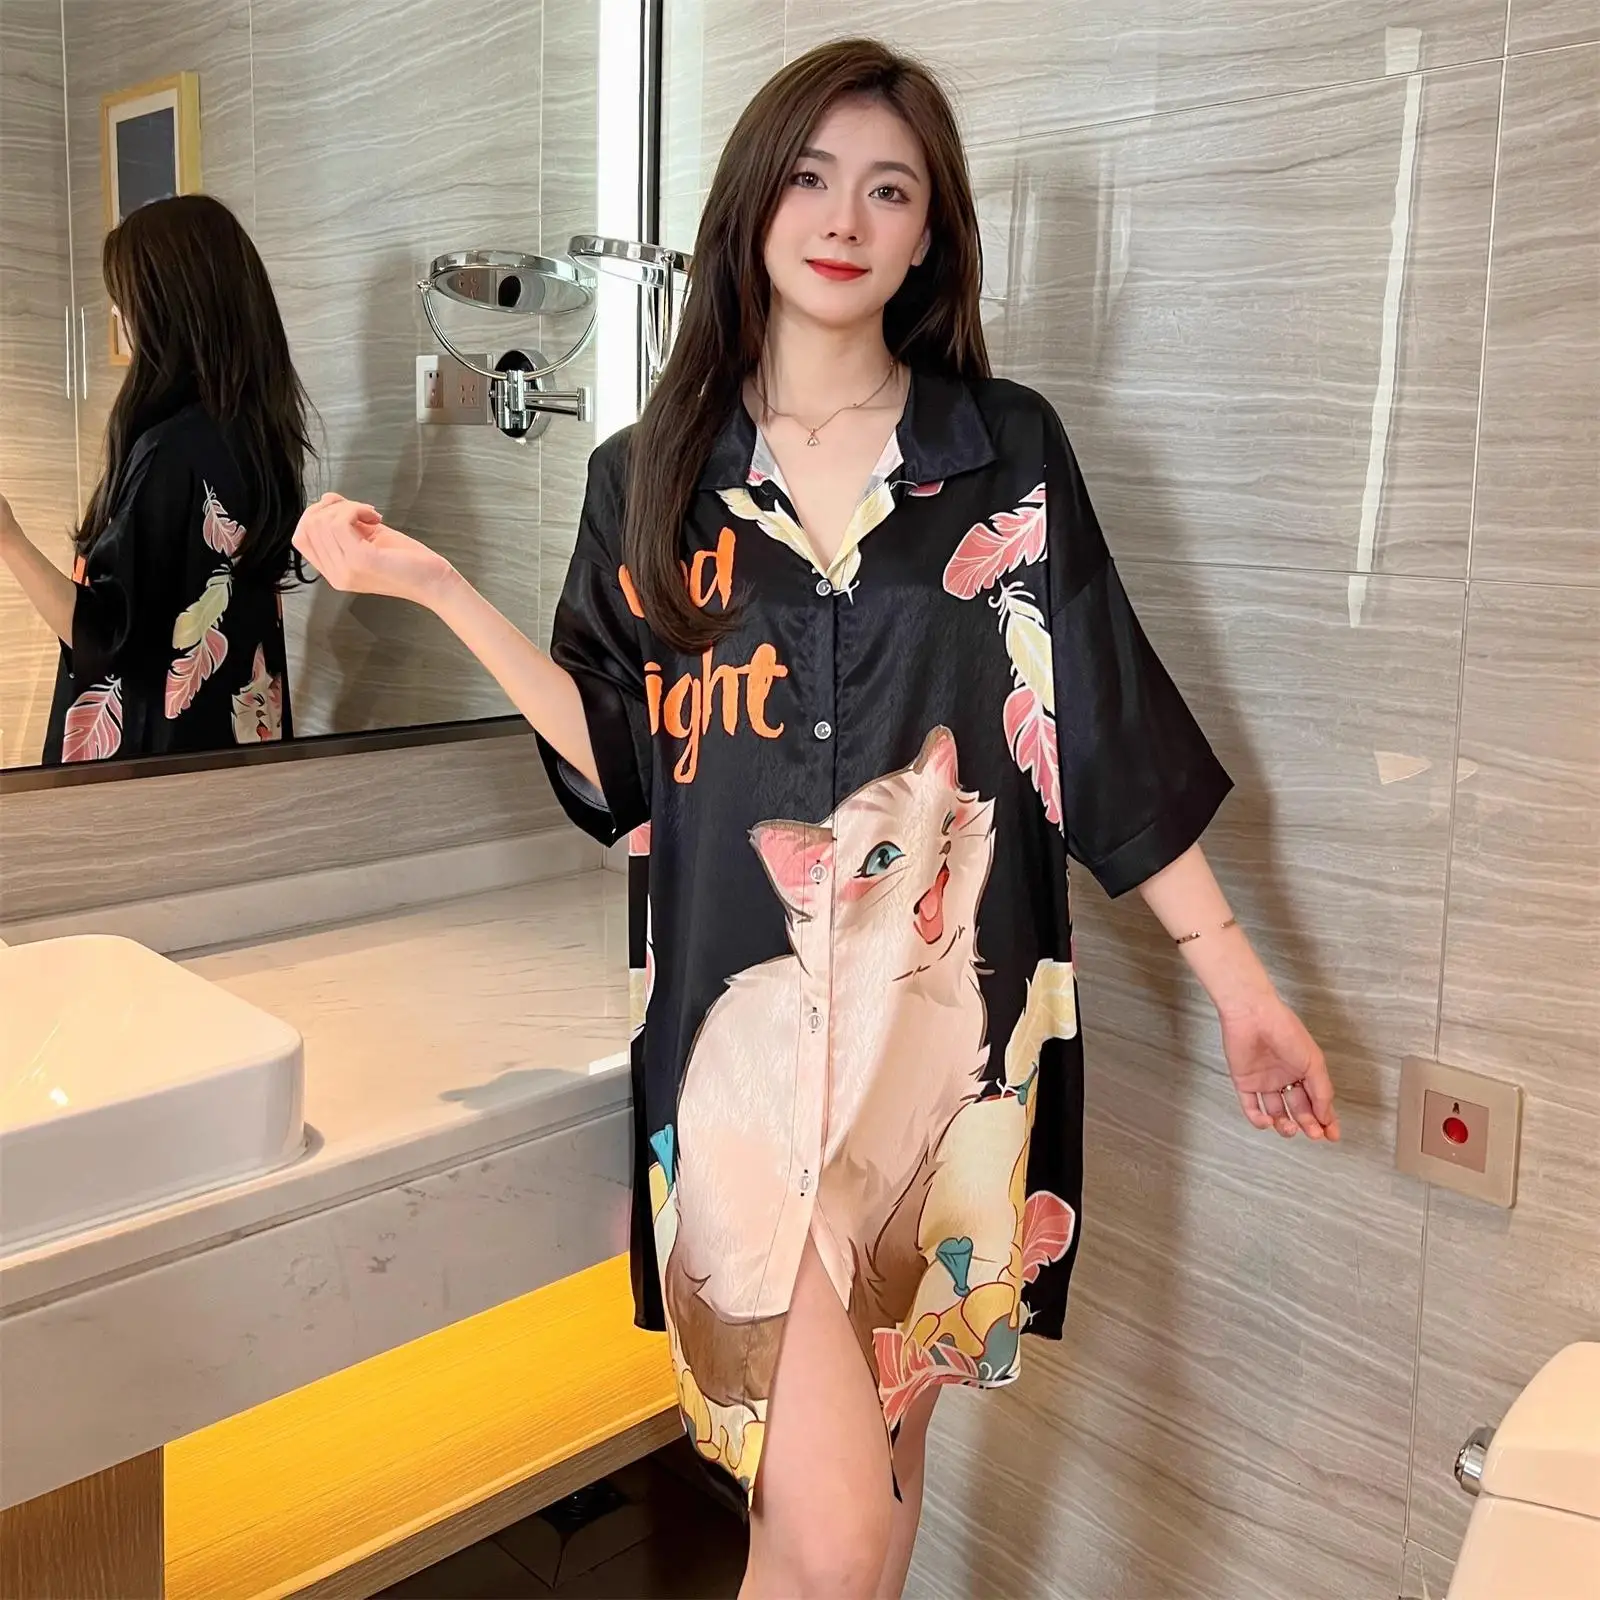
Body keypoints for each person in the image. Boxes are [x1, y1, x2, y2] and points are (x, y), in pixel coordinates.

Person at [292, 38, 1340, 1600]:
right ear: (753, 204)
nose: (845, 217)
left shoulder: (1005, 456)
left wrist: (1243, 987)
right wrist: (442, 588)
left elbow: (1097, 728)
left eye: (889, 190)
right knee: (835, 1537)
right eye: (811, 176)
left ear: (928, 237)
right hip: (752, 1071)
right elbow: (622, 763)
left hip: (946, 1070)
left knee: (877, 1494)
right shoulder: (649, 476)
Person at [0, 193, 308, 764]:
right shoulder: (255, 440)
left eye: (126, 300)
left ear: (168, 307)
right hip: (236, 760)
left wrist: (8, 538)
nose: (119, 316)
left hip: (158, 780)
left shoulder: (171, 452)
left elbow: (102, 638)